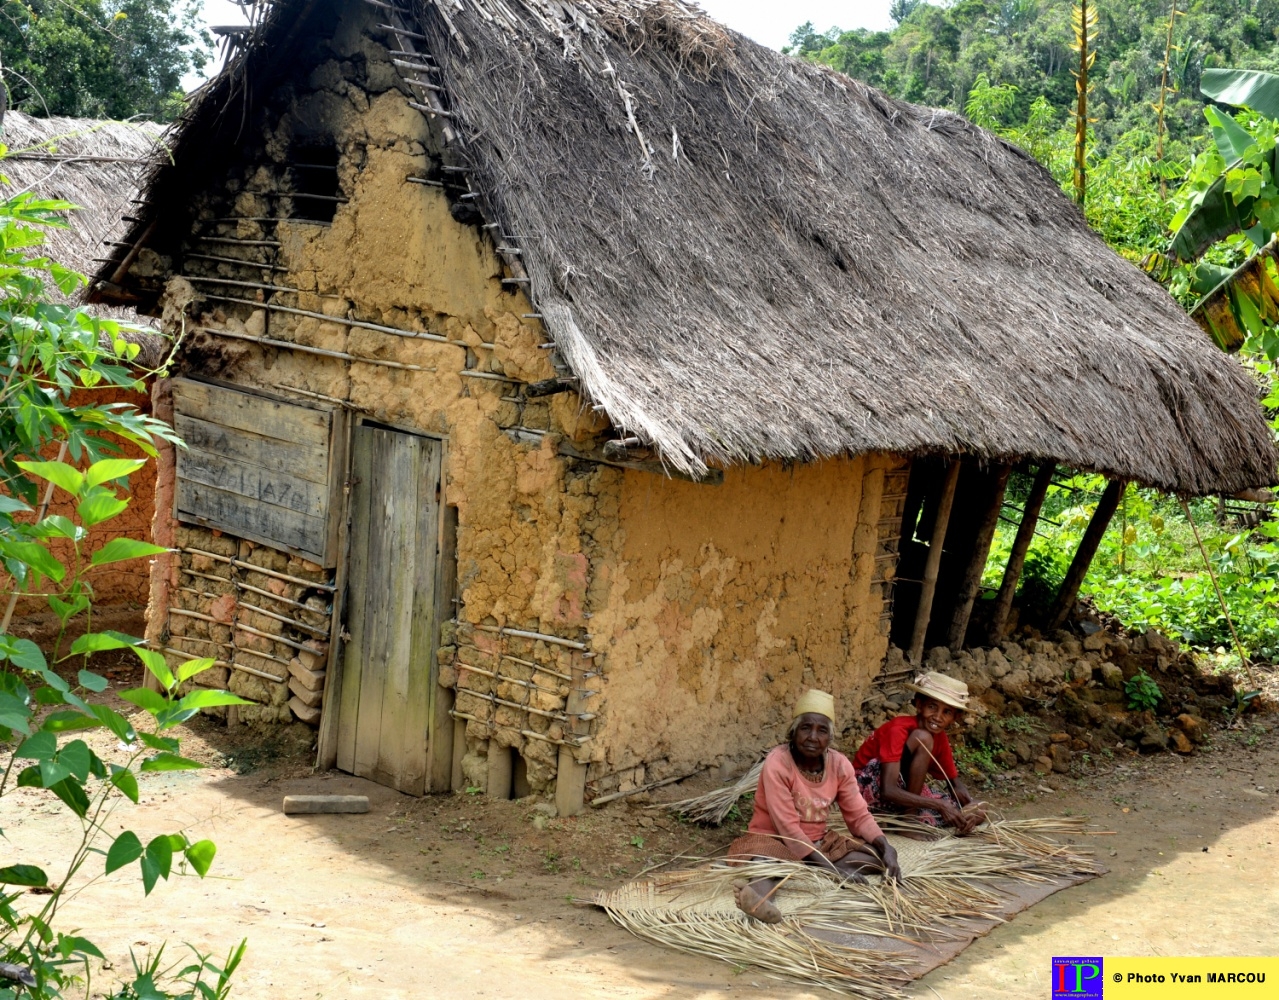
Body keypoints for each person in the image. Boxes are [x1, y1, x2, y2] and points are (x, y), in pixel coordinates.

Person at [728, 689, 901, 924]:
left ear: (830, 738)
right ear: (793, 732)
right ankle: (758, 901)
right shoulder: (778, 762)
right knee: (766, 866)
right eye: (805, 728)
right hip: (774, 840)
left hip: (819, 843)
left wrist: (886, 846)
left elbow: (858, 815)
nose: (812, 736)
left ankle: (813, 867)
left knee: (876, 858)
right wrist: (833, 870)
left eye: (822, 731)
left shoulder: (839, 764)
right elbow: (788, 829)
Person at [851, 671, 986, 834]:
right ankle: (909, 819)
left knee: (980, 809)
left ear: (955, 717)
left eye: (947, 712)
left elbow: (955, 785)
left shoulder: (940, 737)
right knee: (923, 737)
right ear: (919, 705)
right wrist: (939, 805)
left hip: (902, 796)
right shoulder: (898, 729)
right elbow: (888, 790)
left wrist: (968, 811)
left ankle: (903, 817)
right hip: (866, 789)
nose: (937, 717)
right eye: (932, 707)